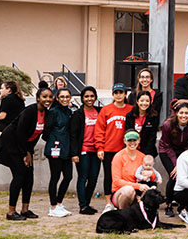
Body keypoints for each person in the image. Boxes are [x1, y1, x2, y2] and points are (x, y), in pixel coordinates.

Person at [157, 104, 188, 216]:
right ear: (176, 113)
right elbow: (166, 145)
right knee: (174, 175)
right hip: (167, 151)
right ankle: (168, 205)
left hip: (185, 151)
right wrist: (177, 165)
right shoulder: (168, 125)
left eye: (186, 113)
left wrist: (183, 160)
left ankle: (183, 204)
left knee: (187, 175)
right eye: (181, 113)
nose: (183, 115)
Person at [42, 88, 77, 218]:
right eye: (62, 97)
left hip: (66, 149)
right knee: (55, 177)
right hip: (55, 149)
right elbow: (46, 132)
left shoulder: (69, 112)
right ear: (57, 98)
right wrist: (54, 141)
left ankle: (59, 203)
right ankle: (53, 207)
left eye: (67, 97)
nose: (64, 99)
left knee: (68, 176)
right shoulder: (53, 112)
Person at [94, 85, 132, 200]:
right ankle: (108, 202)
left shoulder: (131, 109)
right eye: (116, 93)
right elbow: (99, 130)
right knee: (109, 176)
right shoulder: (106, 110)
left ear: (125, 94)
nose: (119, 95)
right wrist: (100, 148)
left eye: (121, 92)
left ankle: (121, 199)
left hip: (125, 150)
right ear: (113, 95)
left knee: (125, 176)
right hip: (109, 149)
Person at [71, 86, 102, 214]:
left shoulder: (100, 111)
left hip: (96, 150)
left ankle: (87, 204)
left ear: (95, 97)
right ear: (82, 98)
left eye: (92, 96)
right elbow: (73, 135)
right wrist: (74, 153)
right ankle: (82, 206)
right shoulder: (78, 114)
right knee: (83, 177)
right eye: (86, 96)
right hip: (83, 150)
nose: (89, 99)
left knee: (93, 178)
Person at [107, 130, 150, 211]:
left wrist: (151, 174)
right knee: (128, 190)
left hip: (138, 192)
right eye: (129, 140)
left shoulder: (142, 157)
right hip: (120, 193)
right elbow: (116, 181)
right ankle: (122, 215)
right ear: (124, 141)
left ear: (139, 140)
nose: (132, 143)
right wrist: (138, 186)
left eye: (135, 140)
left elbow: (152, 175)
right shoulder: (118, 157)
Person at [124, 90, 160, 157]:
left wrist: (145, 155)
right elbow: (127, 134)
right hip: (132, 150)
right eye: (142, 100)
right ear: (137, 101)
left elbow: (152, 137)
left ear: (150, 102)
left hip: (148, 151)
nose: (144, 103)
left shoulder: (154, 116)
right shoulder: (130, 116)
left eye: (147, 101)